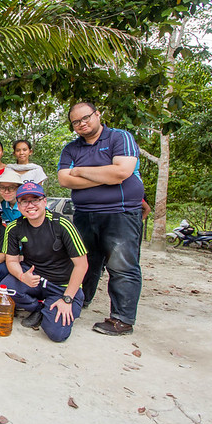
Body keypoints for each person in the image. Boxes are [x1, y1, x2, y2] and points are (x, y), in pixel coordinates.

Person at [57, 102, 145, 336]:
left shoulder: (120, 138)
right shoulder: (71, 149)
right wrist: (105, 175)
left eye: (85, 118)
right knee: (84, 261)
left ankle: (122, 319)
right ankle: (80, 299)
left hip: (121, 212)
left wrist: (80, 171)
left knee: (122, 265)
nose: (81, 124)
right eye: (76, 122)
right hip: (84, 213)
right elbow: (65, 180)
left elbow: (121, 172)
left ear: (97, 115)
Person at [0, 182, 88, 342]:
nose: (30, 205)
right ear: (18, 206)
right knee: (5, 289)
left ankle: (65, 303)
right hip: (34, 279)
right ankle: (38, 308)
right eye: (24, 201)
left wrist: (67, 298)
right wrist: (21, 276)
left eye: (35, 199)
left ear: (44, 202)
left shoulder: (61, 224)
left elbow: (82, 265)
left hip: (61, 285)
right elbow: (11, 260)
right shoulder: (14, 228)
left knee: (57, 334)